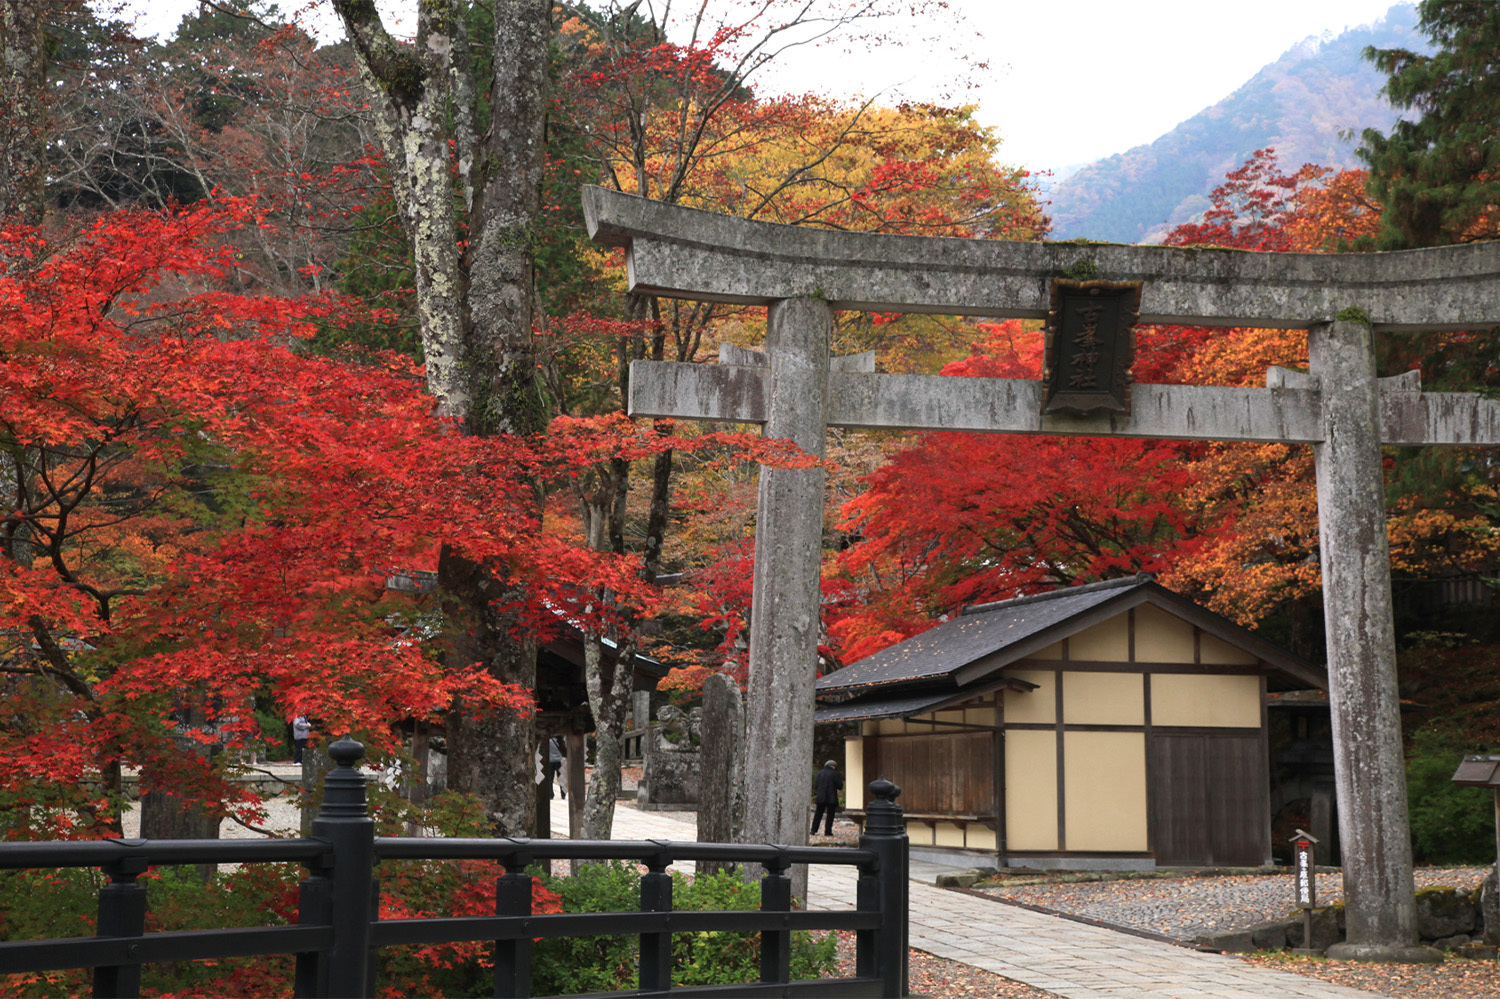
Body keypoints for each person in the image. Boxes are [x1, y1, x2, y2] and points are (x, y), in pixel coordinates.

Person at [810, 759, 843, 838]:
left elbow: (816, 785)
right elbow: (840, 786)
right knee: (830, 815)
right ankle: (827, 831)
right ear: (833, 767)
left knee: (818, 814)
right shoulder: (835, 774)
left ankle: (813, 830)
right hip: (831, 798)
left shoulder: (819, 773)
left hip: (820, 796)